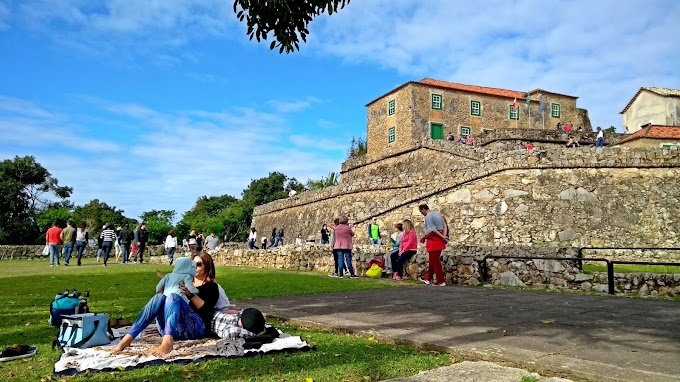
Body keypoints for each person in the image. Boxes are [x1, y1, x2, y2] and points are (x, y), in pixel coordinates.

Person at [112, 252, 219, 356]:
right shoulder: (180, 280)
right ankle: (128, 338)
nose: (194, 267)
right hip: (169, 327)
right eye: (192, 263)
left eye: (199, 264)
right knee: (159, 297)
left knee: (173, 297)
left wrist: (190, 295)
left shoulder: (211, 287)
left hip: (194, 329)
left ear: (207, 267)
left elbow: (207, 311)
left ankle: (167, 343)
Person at [418, 204, 448, 287]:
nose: (421, 213)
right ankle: (428, 278)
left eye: (421, 211)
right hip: (440, 238)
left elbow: (433, 230)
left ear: (423, 209)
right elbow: (444, 225)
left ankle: (441, 281)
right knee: (433, 260)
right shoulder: (437, 214)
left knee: (435, 262)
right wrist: (444, 236)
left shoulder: (428, 217)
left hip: (434, 240)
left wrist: (442, 237)